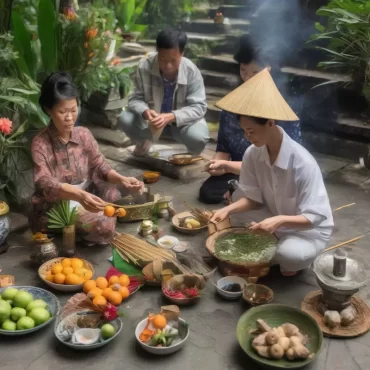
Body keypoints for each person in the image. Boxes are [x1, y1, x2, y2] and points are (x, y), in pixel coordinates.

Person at [210, 69, 333, 276]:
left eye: (252, 131)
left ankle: (288, 254)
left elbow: (315, 217)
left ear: (270, 122)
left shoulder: (302, 163)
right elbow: (253, 199)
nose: (248, 137)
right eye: (244, 131)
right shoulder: (253, 153)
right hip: (273, 216)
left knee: (289, 256)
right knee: (237, 209)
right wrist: (227, 211)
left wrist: (279, 221)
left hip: (307, 230)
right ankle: (273, 246)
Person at [29, 72, 144, 246]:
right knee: (106, 223)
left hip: (86, 194)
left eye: (73, 110)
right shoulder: (41, 143)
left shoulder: (83, 134)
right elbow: (44, 182)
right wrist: (79, 195)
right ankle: (87, 232)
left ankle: (92, 227)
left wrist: (122, 179)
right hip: (59, 206)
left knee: (116, 194)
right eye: (62, 112)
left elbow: (99, 165)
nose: (69, 117)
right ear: (48, 109)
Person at [199, 35, 302, 204]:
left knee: (272, 193)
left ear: (269, 70)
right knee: (208, 193)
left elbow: (284, 161)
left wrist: (227, 166)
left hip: (272, 173)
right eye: (243, 70)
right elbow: (223, 149)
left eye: (255, 72)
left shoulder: (282, 106)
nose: (247, 78)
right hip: (237, 172)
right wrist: (218, 165)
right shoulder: (232, 103)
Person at [118, 28, 209, 156]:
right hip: (151, 124)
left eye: (173, 60)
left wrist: (171, 116)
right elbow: (134, 99)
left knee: (198, 137)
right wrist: (145, 111)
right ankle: (144, 142)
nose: (167, 66)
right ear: (157, 51)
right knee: (125, 119)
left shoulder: (192, 71)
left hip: (180, 125)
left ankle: (191, 156)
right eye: (162, 59)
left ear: (182, 53)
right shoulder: (144, 66)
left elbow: (199, 107)